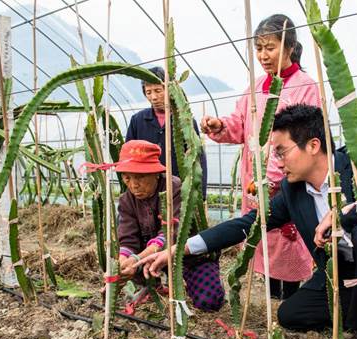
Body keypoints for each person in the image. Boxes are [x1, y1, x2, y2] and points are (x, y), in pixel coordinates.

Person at [138, 105, 357, 339]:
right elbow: (247, 225)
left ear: (313, 145)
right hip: (343, 271)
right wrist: (179, 249)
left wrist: (345, 212)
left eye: (281, 151)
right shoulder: (292, 191)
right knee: (292, 315)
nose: (277, 160)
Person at [200, 14, 319, 299]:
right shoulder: (255, 87)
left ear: (289, 47)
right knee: (262, 237)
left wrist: (275, 175)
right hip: (254, 181)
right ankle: (272, 298)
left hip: (290, 181)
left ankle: (290, 299)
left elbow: (304, 138)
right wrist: (221, 126)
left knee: (288, 239)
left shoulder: (305, 86)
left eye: (270, 47)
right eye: (259, 49)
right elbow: (239, 124)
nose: (263, 56)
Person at [116, 140, 224, 311]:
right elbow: (128, 240)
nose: (133, 185)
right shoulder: (126, 201)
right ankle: (153, 285)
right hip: (150, 260)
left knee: (209, 301)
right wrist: (122, 264)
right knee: (128, 259)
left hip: (188, 257)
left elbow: (171, 233)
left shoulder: (176, 188)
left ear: (156, 173)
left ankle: (191, 282)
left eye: (140, 177)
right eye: (127, 178)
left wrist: (137, 259)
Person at [126, 66, 207, 198]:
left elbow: (198, 158)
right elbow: (128, 158)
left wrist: (200, 194)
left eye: (158, 90)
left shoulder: (185, 120)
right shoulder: (137, 120)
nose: (154, 97)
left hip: (178, 191)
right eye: (148, 92)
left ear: (169, 90)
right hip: (146, 191)